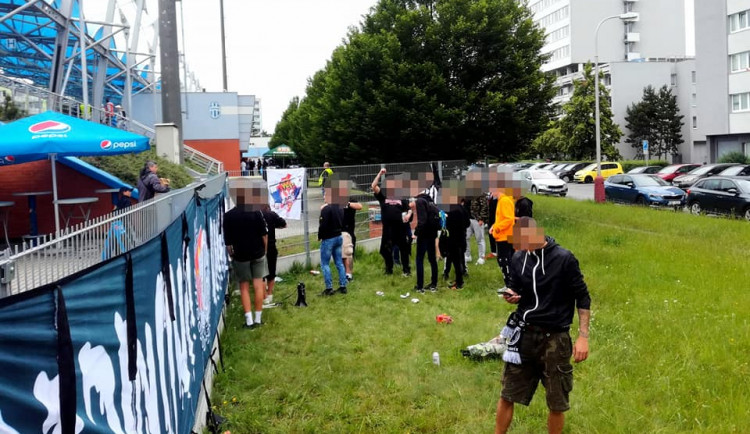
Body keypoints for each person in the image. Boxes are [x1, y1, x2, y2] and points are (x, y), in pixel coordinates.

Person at [495, 217, 591, 434]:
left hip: (555, 339)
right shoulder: (519, 258)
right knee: (507, 394)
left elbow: (583, 298)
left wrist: (583, 337)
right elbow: (516, 288)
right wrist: (512, 296)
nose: (518, 247)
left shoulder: (564, 259)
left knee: (556, 401)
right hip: (524, 336)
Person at [223, 184, 269, 329]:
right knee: (258, 284)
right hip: (258, 253)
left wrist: (232, 255)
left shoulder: (228, 216)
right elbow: (264, 235)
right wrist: (265, 250)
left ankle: (248, 321)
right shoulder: (256, 212)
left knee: (243, 286)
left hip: (240, 256)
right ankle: (258, 318)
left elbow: (228, 243)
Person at [371, 169, 412, 276]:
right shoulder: (383, 196)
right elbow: (373, 186)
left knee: (404, 250)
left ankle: (406, 270)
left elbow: (409, 209)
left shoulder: (401, 198)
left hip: (400, 228)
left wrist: (408, 214)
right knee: (386, 250)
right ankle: (389, 269)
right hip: (388, 229)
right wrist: (379, 174)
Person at [318, 180, 348, 296]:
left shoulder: (326, 209)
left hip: (328, 239)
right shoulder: (340, 207)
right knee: (339, 262)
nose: (324, 196)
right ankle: (343, 285)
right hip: (338, 237)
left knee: (325, 264)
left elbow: (323, 225)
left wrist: (320, 236)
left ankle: (329, 288)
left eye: (325, 194)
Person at [442, 186, 470, 290]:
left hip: (453, 239)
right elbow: (467, 223)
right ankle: (459, 279)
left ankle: (459, 282)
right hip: (462, 237)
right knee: (458, 260)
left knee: (456, 261)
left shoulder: (450, 210)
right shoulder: (461, 208)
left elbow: (446, 226)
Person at [490, 184, 517, 289]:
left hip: (505, 237)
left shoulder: (505, 201)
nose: (490, 192)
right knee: (505, 260)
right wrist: (494, 225)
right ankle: (509, 284)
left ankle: (510, 286)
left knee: (504, 261)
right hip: (503, 235)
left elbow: (508, 219)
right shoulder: (501, 200)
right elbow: (502, 218)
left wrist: (497, 228)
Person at [261, 204, 287, 308]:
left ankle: (264, 296)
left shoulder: (255, 215)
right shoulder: (271, 214)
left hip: (259, 248)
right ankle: (270, 294)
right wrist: (273, 226)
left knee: (261, 274)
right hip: (271, 246)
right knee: (271, 271)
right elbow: (284, 224)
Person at [342, 194, 363, 281]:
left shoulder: (351, 199)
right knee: (342, 256)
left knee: (349, 255)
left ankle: (349, 274)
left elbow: (360, 206)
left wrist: (347, 203)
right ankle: (344, 274)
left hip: (349, 232)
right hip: (338, 232)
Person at [466, 187, 489, 266]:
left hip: (477, 219)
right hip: (468, 219)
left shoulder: (481, 193)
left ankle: (481, 257)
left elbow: (484, 206)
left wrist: (482, 219)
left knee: (479, 238)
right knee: (466, 237)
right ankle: (467, 255)